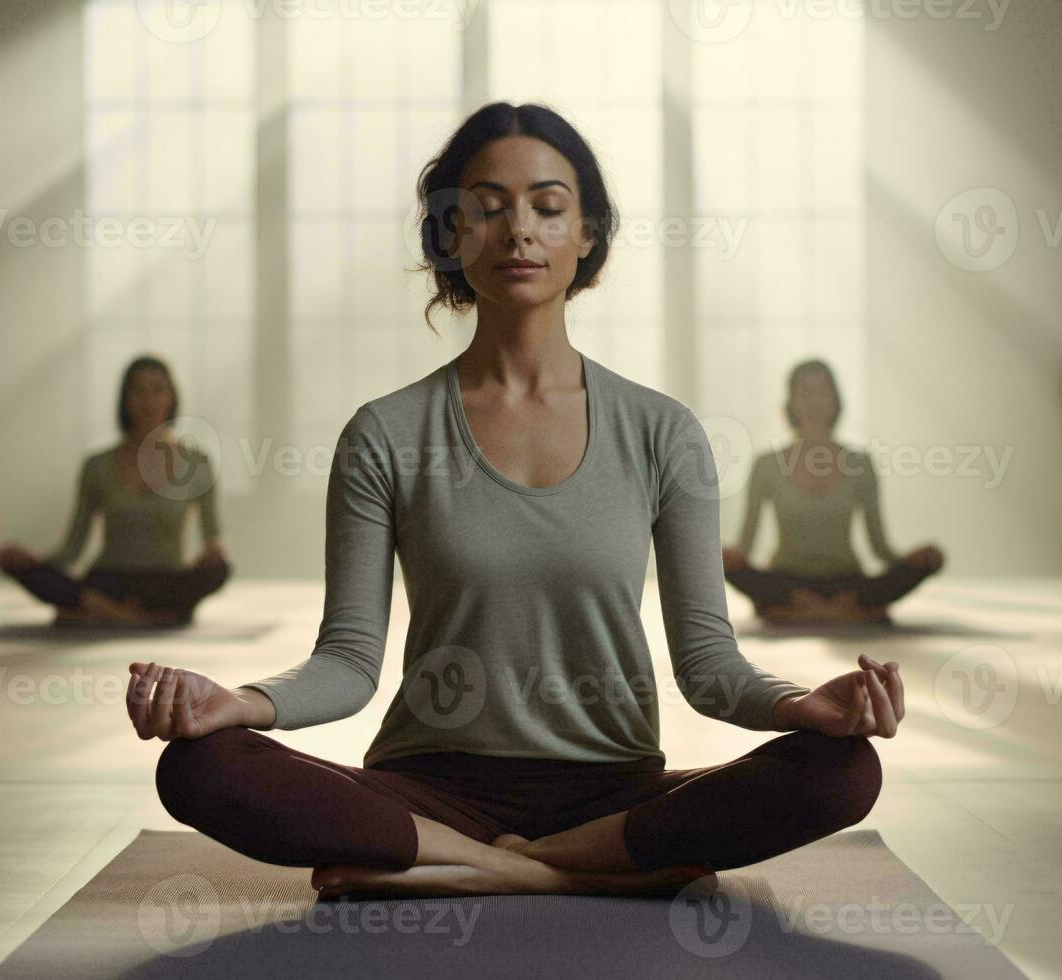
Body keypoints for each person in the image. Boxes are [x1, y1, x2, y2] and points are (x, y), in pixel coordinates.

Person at [129, 102, 903, 902]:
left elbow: (709, 667)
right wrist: (240, 703)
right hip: (431, 790)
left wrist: (802, 704)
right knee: (201, 766)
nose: (518, 232)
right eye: (487, 209)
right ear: (450, 234)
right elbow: (347, 663)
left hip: (615, 788)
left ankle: (479, 868)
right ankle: (570, 869)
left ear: (588, 234)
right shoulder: (385, 434)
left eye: (547, 206)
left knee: (843, 769)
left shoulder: (662, 432)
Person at [0, 355, 230, 627]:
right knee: (26, 570)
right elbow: (73, 548)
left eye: (157, 389)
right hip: (108, 582)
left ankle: (105, 613)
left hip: (166, 583)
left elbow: (214, 538)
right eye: (138, 391)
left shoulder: (198, 463)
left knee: (219, 570)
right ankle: (142, 617)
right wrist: (32, 563)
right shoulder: (97, 466)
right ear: (125, 399)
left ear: (172, 397)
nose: (148, 400)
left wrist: (213, 553)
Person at [721, 359, 944, 626]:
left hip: (847, 584)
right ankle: (848, 612)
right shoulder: (767, 465)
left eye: (823, 392)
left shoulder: (860, 463)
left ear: (835, 400)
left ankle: (796, 612)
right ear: (790, 402)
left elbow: (879, 546)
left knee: (932, 556)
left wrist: (912, 561)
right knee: (717, 558)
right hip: (786, 582)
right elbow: (745, 546)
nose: (814, 402)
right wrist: (721, 555)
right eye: (805, 392)